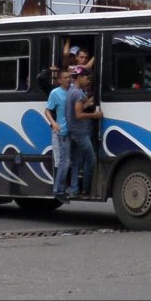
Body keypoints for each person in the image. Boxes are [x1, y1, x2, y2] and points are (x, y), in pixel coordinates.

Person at [66, 67, 103, 198]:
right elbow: (79, 114)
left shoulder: (71, 91)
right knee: (91, 159)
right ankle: (85, 189)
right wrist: (95, 115)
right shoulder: (78, 93)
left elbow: (78, 108)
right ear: (80, 77)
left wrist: (87, 103)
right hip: (81, 132)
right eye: (87, 78)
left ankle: (74, 188)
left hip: (73, 131)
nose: (88, 81)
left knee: (76, 161)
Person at [44, 70, 72, 203]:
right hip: (62, 131)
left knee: (69, 161)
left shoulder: (72, 91)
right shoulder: (55, 93)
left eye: (69, 77)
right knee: (63, 161)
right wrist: (54, 123)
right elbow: (47, 110)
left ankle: (66, 188)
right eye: (65, 78)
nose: (68, 79)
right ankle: (58, 190)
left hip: (73, 131)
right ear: (60, 80)